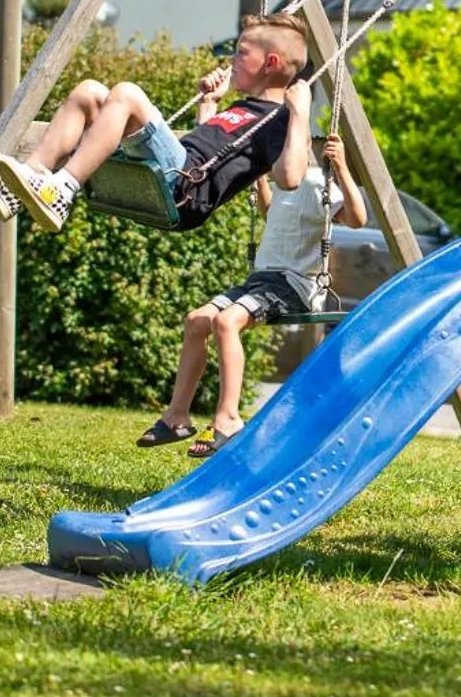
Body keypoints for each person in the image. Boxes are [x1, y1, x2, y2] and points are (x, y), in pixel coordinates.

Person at [0, 14, 311, 233]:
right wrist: (209, 104)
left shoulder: (279, 120)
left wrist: (301, 114)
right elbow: (207, 147)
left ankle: (62, 190)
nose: (232, 60)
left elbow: (290, 178)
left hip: (184, 191)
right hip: (180, 168)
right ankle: (29, 179)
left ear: (270, 63)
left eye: (241, 52)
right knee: (89, 93)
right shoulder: (243, 108)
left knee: (127, 94)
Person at [137, 132, 369, 457]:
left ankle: (228, 418)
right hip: (261, 280)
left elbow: (358, 219)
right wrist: (259, 182)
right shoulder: (279, 184)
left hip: (293, 285)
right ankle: (177, 417)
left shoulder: (319, 183)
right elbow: (273, 214)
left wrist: (342, 166)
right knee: (197, 320)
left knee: (227, 322)